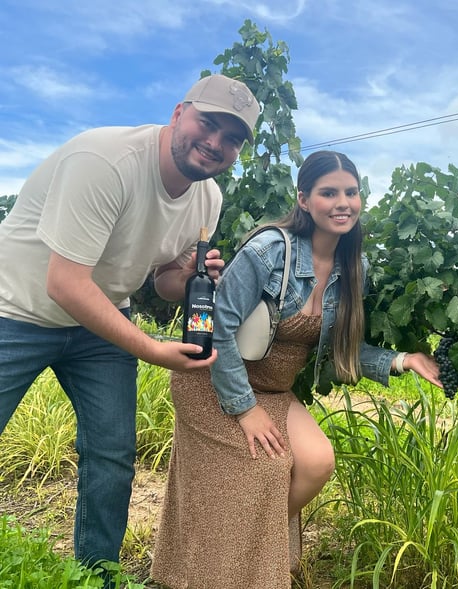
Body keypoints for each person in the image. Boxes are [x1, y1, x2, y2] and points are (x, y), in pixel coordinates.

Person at [0, 74, 260, 571]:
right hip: (14, 310)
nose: (216, 144)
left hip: (100, 320)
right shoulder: (105, 161)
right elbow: (65, 283)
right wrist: (151, 350)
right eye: (209, 124)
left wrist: (184, 278)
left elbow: (162, 278)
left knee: (112, 458)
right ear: (178, 112)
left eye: (232, 138)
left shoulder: (209, 198)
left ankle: (97, 577)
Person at [150, 150, 442, 588]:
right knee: (265, 469)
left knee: (317, 462)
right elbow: (218, 328)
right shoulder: (271, 250)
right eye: (329, 193)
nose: (342, 202)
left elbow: (341, 346)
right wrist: (244, 409)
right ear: (304, 200)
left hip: (272, 388)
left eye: (351, 192)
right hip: (212, 380)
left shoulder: (353, 266)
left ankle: (241, 555)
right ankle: (225, 569)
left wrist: (403, 360)